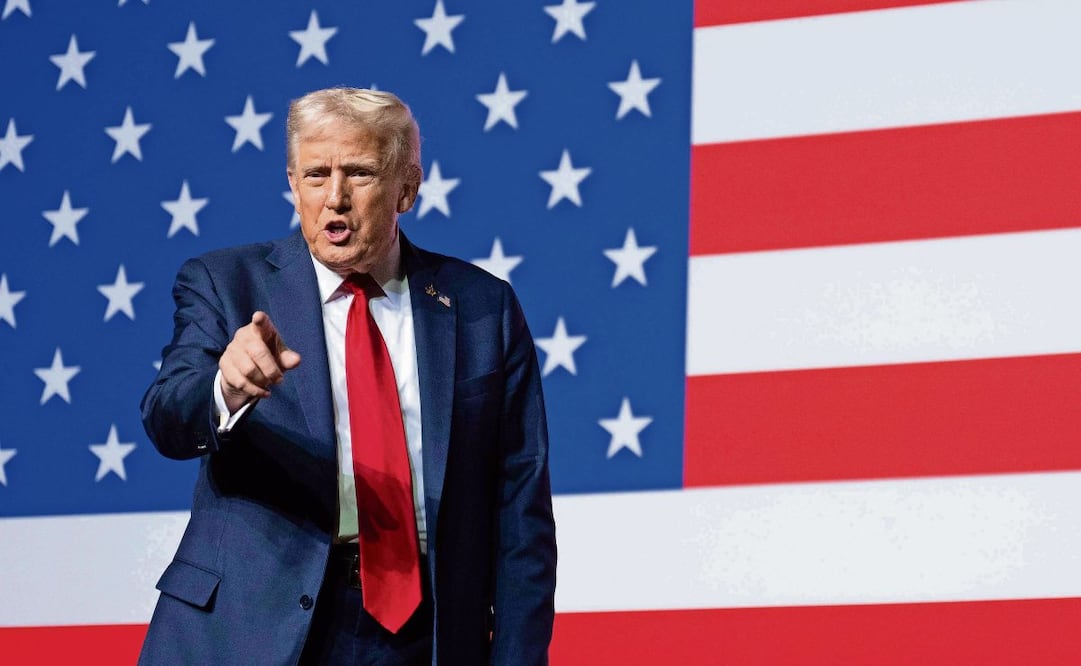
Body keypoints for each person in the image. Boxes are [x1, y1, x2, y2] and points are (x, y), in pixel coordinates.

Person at [138, 87, 557, 665]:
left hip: (421, 631)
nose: (334, 198)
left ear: (407, 187)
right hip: (251, 628)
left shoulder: (482, 308)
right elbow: (167, 415)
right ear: (292, 182)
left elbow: (520, 510)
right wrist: (224, 390)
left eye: (358, 173)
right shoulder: (224, 283)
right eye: (315, 174)